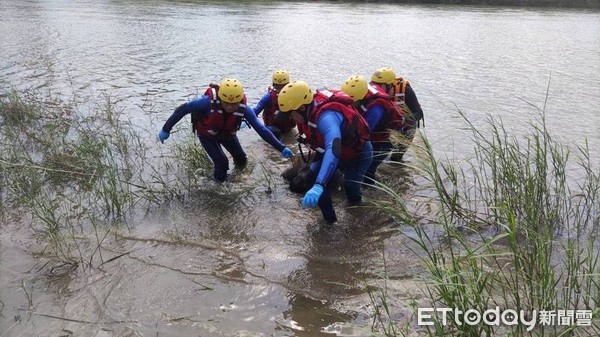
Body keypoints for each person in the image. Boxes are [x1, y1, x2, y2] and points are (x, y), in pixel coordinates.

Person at [157, 78, 293, 182]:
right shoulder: (206, 102)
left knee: (241, 159)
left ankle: (238, 178)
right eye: (226, 103)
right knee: (222, 162)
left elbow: (262, 130)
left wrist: (281, 148)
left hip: (227, 134)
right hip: (207, 135)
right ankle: (218, 186)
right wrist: (166, 129)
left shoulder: (244, 109)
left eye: (234, 104)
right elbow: (183, 110)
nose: (230, 107)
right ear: (221, 97)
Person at [277, 81, 372, 223]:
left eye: (291, 114)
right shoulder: (306, 113)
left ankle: (358, 219)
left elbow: (333, 148)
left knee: (351, 189)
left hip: (357, 153)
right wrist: (318, 183)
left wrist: (320, 184)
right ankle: (330, 222)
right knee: (311, 177)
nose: (290, 119)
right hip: (334, 152)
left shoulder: (326, 118)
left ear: (302, 108)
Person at [341, 75, 404, 184]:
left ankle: (371, 191)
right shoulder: (361, 93)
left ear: (359, 97)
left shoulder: (376, 108)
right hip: (375, 135)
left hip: (384, 141)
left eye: (352, 100)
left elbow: (364, 132)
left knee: (367, 172)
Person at [370, 67, 424, 162]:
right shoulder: (373, 92)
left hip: (406, 126)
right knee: (379, 151)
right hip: (388, 125)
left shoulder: (405, 91)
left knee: (396, 158)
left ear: (390, 84)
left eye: (380, 85)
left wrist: (402, 119)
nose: (377, 87)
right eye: (375, 84)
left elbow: (418, 113)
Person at [253, 69, 296, 139]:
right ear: (274, 85)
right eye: (277, 86)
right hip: (272, 126)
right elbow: (256, 111)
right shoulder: (268, 97)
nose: (280, 89)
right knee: (276, 131)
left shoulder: (292, 97)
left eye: (283, 86)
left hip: (287, 126)